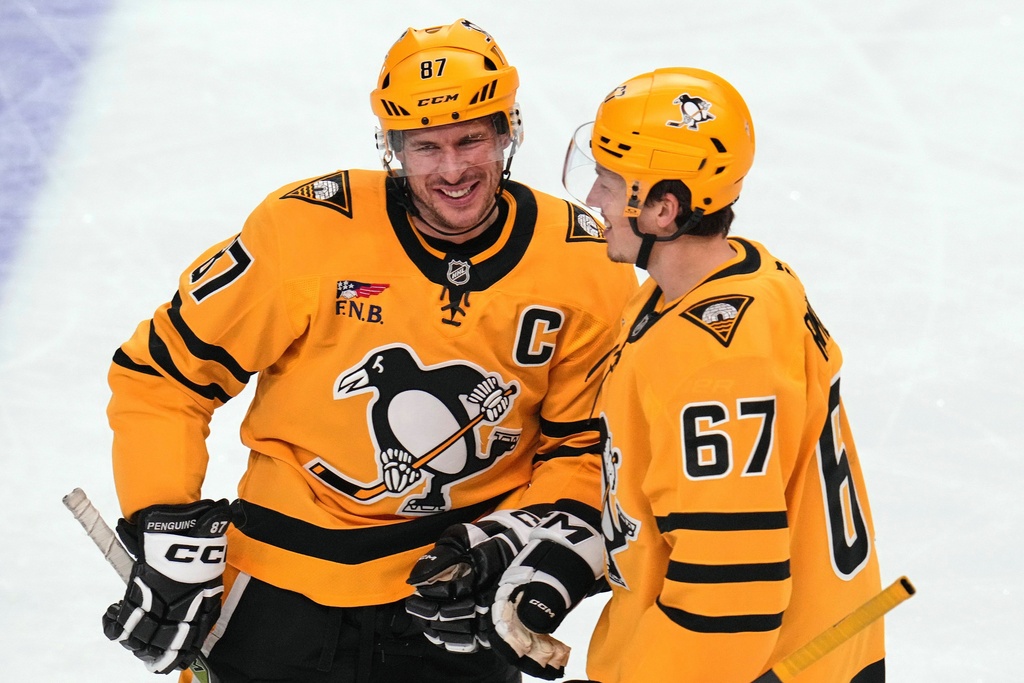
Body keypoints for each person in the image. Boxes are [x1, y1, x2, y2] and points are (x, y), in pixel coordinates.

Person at [100, 18, 637, 683]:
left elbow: (585, 448)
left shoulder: (586, 263)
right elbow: (163, 377)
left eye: (471, 139)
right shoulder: (307, 229)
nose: (452, 169)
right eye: (426, 146)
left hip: (455, 596)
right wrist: (166, 524)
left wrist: (513, 547)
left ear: (508, 132)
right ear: (393, 148)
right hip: (274, 588)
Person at [551, 68, 886, 681]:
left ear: (663, 208)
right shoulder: (737, 280)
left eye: (608, 181)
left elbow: (729, 597)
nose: (593, 199)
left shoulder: (716, 364)